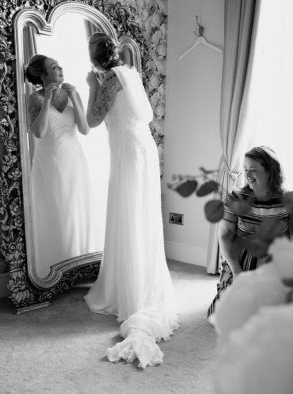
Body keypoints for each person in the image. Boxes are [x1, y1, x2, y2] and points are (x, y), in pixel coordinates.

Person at [83, 33, 179, 369]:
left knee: (128, 214)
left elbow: (93, 121)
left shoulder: (108, 81)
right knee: (139, 215)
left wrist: (91, 85)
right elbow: (147, 114)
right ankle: (138, 280)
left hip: (128, 153)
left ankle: (132, 292)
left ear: (94, 58)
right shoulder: (130, 73)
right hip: (143, 147)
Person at [207, 146, 293, 317]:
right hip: (240, 261)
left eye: (253, 170)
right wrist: (237, 271)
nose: (247, 175)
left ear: (271, 171)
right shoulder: (236, 198)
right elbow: (225, 237)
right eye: (245, 169)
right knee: (226, 317)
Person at [25, 54, 100, 277]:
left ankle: (81, 264)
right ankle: (56, 268)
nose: (60, 69)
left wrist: (76, 97)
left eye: (59, 65)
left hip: (74, 161)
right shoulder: (35, 98)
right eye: (54, 67)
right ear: (43, 74)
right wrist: (46, 100)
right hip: (49, 163)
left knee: (76, 210)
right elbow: (38, 132)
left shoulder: (69, 93)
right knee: (56, 212)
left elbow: (85, 129)